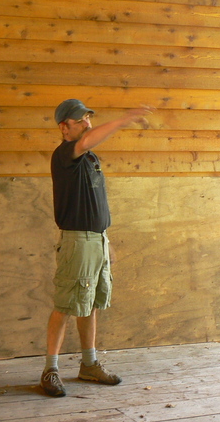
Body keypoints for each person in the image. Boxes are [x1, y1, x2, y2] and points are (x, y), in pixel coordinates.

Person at [40, 98, 151, 398]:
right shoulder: (66, 153)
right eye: (80, 120)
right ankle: (50, 370)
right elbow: (88, 140)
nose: (87, 124)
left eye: (88, 118)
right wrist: (125, 118)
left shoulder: (89, 158)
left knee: (89, 303)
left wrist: (105, 239)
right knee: (66, 305)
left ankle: (89, 364)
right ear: (64, 127)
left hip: (97, 239)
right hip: (77, 241)